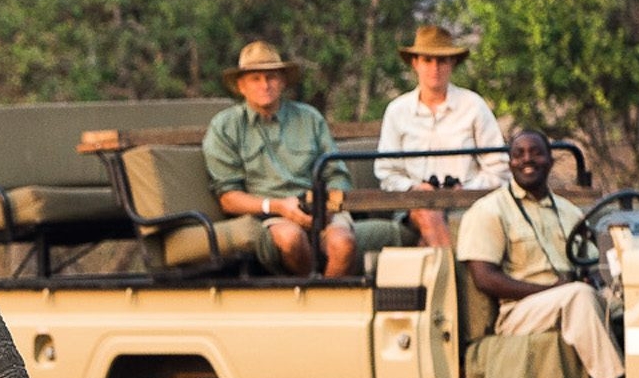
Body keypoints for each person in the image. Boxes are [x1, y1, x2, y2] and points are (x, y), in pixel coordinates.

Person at [458, 129, 623, 378]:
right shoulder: (489, 210)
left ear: (550, 161)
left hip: (566, 296)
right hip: (519, 310)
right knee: (578, 297)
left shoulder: (569, 210)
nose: (527, 160)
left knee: (634, 302)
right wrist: (549, 289)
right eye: (519, 154)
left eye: (536, 152)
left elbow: (592, 262)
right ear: (509, 163)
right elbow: (484, 278)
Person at [202, 40, 366, 277]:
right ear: (241, 86)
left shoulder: (309, 118)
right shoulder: (225, 126)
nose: (265, 85)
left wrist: (327, 205)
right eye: (255, 79)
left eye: (271, 77)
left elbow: (337, 174)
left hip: (318, 207)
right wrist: (277, 206)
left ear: (283, 81)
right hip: (268, 214)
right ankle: (317, 303)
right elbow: (228, 198)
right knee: (290, 239)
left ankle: (319, 307)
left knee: (343, 244)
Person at [373, 24, 508, 249]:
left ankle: (439, 273)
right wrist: (414, 188)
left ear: (452, 63)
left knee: (426, 242)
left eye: (442, 60)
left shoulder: (473, 106)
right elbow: (387, 172)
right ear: (415, 63)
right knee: (428, 213)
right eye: (427, 60)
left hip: (469, 204)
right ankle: (456, 279)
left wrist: (467, 189)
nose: (434, 68)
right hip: (415, 206)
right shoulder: (398, 110)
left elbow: (499, 168)